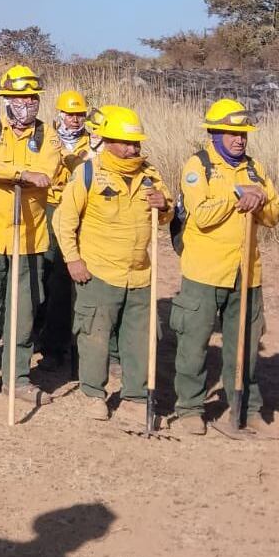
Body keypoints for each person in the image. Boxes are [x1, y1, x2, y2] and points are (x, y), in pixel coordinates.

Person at [170, 98, 279, 437]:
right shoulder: (197, 166)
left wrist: (259, 200)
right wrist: (237, 198)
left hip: (247, 272)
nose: (239, 139)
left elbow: (275, 216)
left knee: (244, 345)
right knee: (195, 341)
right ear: (215, 133)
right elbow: (201, 215)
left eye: (243, 134)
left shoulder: (255, 169)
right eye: (232, 133)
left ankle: (247, 409)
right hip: (205, 271)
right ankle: (190, 408)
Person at [52, 106, 168, 422]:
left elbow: (166, 215)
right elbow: (64, 220)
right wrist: (73, 260)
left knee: (140, 340)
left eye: (137, 144)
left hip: (140, 274)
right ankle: (93, 394)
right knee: (95, 337)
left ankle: (134, 397)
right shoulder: (88, 173)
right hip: (98, 272)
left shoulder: (151, 176)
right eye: (126, 143)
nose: (133, 149)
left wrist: (165, 205)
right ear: (108, 141)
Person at [0, 65, 61, 407]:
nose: (27, 104)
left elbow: (49, 172)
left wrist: (5, 177)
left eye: (32, 97)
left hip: (30, 237)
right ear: (6, 99)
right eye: (20, 97)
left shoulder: (48, 135)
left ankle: (17, 378)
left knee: (24, 312)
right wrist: (20, 174)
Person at [36, 89, 93, 369]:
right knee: (49, 274)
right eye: (70, 113)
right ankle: (47, 339)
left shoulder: (94, 141)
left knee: (73, 277)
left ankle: (70, 345)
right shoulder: (47, 137)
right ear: (59, 113)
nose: (75, 118)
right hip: (50, 207)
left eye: (80, 113)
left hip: (84, 211)